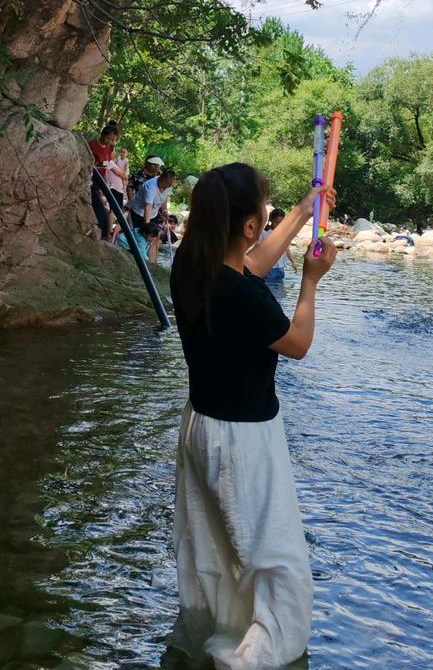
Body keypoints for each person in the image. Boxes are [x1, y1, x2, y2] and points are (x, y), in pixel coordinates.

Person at [169, 163, 336, 669]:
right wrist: (311, 280)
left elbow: (252, 263)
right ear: (247, 225)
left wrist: (304, 212)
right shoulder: (245, 297)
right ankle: (258, 657)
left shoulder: (190, 267)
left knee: (216, 553)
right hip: (242, 443)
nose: (268, 214)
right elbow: (299, 343)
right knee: (275, 559)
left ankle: (212, 639)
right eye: (265, 209)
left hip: (200, 427)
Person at [87, 122, 120, 241]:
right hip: (92, 179)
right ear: (102, 134)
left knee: (108, 206)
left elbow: (106, 166)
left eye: (113, 140)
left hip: (101, 179)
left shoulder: (109, 148)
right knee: (99, 205)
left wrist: (105, 184)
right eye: (109, 138)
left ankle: (106, 233)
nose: (110, 142)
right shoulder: (92, 145)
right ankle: (104, 234)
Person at [131, 167, 178, 234]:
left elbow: (165, 197)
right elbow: (148, 207)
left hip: (153, 214)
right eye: (166, 184)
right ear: (162, 179)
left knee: (155, 235)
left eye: (169, 185)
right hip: (139, 213)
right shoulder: (150, 187)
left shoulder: (168, 185)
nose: (167, 187)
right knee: (142, 236)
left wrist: (165, 210)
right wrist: (147, 226)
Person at [260, 207, 296, 286]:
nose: (278, 225)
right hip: (268, 268)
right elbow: (258, 249)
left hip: (280, 268)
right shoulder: (264, 233)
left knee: (279, 293)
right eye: (276, 222)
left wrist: (293, 262)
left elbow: (287, 249)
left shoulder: (284, 234)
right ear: (271, 220)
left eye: (281, 223)